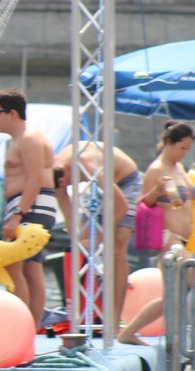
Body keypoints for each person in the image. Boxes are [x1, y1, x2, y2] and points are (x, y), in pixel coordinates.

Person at [117, 121, 195, 345]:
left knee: (171, 299)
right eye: (182, 148)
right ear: (169, 143)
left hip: (183, 239)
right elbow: (142, 203)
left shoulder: (178, 168)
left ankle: (129, 332)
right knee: (178, 291)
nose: (184, 153)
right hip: (169, 238)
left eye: (188, 149)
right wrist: (156, 190)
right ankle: (131, 333)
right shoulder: (157, 169)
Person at [54, 141, 143, 333]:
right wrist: (82, 241)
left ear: (65, 175)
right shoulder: (55, 172)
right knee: (84, 248)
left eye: (69, 184)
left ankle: (114, 320)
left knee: (117, 248)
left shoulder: (86, 164)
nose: (70, 186)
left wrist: (99, 239)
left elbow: (121, 207)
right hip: (98, 187)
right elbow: (73, 228)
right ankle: (90, 313)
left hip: (124, 182)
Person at [0, 88, 57, 326]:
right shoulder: (20, 139)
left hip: (31, 205)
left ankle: (20, 325)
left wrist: (17, 215)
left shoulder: (29, 138)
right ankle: (28, 326)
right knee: (31, 267)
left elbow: (35, 179)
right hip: (31, 205)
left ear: (13, 114)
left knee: (12, 264)